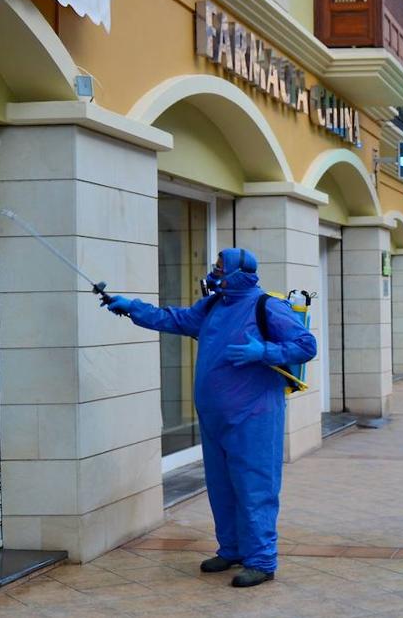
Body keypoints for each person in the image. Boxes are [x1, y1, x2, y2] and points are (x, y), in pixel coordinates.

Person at [104, 248, 317, 588]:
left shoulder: (267, 306)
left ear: (239, 273)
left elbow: (306, 344)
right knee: (221, 486)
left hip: (254, 415)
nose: (214, 272)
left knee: (255, 486)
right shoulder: (213, 306)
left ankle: (261, 560)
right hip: (215, 417)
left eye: (220, 267)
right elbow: (172, 319)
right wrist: (131, 307)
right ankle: (231, 549)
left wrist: (263, 351)